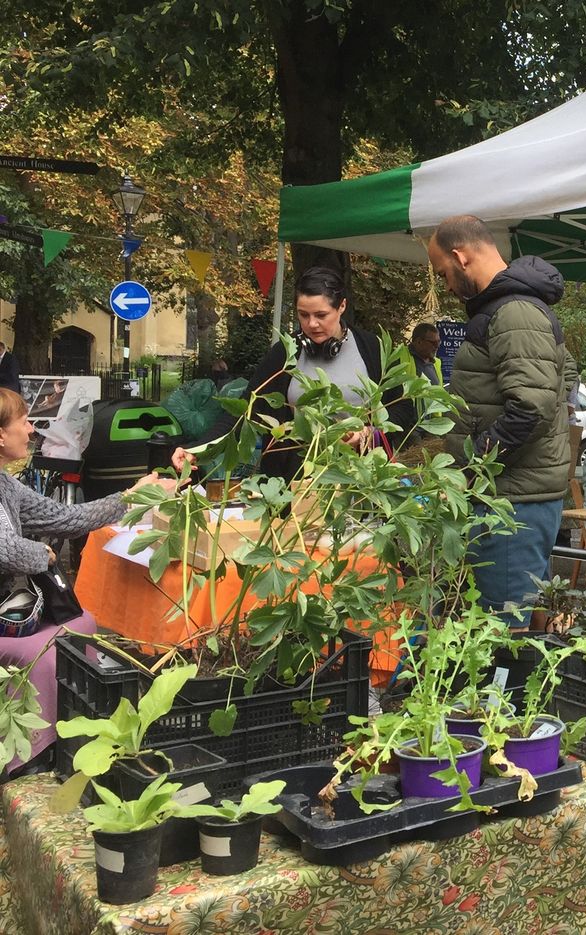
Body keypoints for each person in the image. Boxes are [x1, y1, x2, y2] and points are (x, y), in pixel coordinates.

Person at [0, 387, 172, 778]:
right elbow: (6, 550)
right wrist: (40, 554)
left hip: (8, 608)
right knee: (44, 651)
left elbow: (66, 518)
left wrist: (133, 495)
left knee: (83, 623)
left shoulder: (6, 485)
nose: (31, 430)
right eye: (24, 422)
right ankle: (27, 759)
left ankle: (66, 736)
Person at [426, 214, 569, 627]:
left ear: (461, 256)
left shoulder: (515, 313)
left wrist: (472, 466)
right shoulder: (506, 311)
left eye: (443, 273)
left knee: (499, 635)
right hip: (513, 499)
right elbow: (564, 375)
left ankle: (498, 696)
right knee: (515, 633)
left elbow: (531, 407)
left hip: (512, 505)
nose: (447, 285)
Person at [171, 267, 405, 479]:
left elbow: (403, 410)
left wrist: (368, 434)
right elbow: (245, 410)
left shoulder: (372, 348)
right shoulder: (284, 353)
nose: (312, 324)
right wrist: (197, 449)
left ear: (341, 306)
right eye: (303, 315)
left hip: (363, 477)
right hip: (295, 482)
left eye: (321, 315)